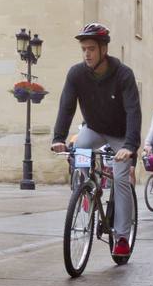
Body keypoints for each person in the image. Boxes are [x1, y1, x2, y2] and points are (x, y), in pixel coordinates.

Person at [49, 23, 141, 257]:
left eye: (91, 48)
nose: (86, 54)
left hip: (121, 135)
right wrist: (59, 137)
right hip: (95, 129)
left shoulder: (123, 75)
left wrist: (130, 147)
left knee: (121, 180)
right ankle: (86, 187)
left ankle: (121, 237)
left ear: (103, 49)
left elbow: (133, 112)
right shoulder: (76, 74)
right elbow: (66, 106)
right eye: (83, 49)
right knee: (78, 149)